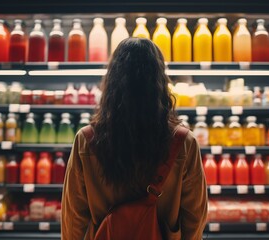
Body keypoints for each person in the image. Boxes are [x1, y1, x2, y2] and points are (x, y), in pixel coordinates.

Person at [61, 38, 207, 239]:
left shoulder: (86, 140)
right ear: (160, 83)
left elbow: (73, 219)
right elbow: (194, 218)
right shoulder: (184, 143)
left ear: (111, 83)